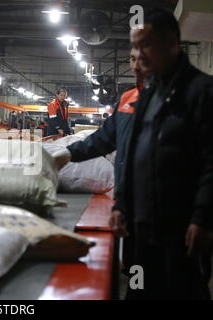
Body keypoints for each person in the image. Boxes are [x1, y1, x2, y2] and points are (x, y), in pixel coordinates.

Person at [111, 8, 213, 299]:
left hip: (181, 230)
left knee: (183, 292)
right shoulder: (149, 95)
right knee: (139, 289)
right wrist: (121, 204)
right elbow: (132, 155)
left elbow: (211, 160)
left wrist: (203, 218)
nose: (137, 53)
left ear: (171, 43)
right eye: (133, 45)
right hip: (142, 229)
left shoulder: (202, 92)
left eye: (145, 44)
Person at [53, 47, 145, 191]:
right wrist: (69, 153)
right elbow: (106, 137)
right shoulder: (128, 99)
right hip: (135, 196)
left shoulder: (187, 95)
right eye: (133, 59)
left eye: (144, 57)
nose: (135, 66)